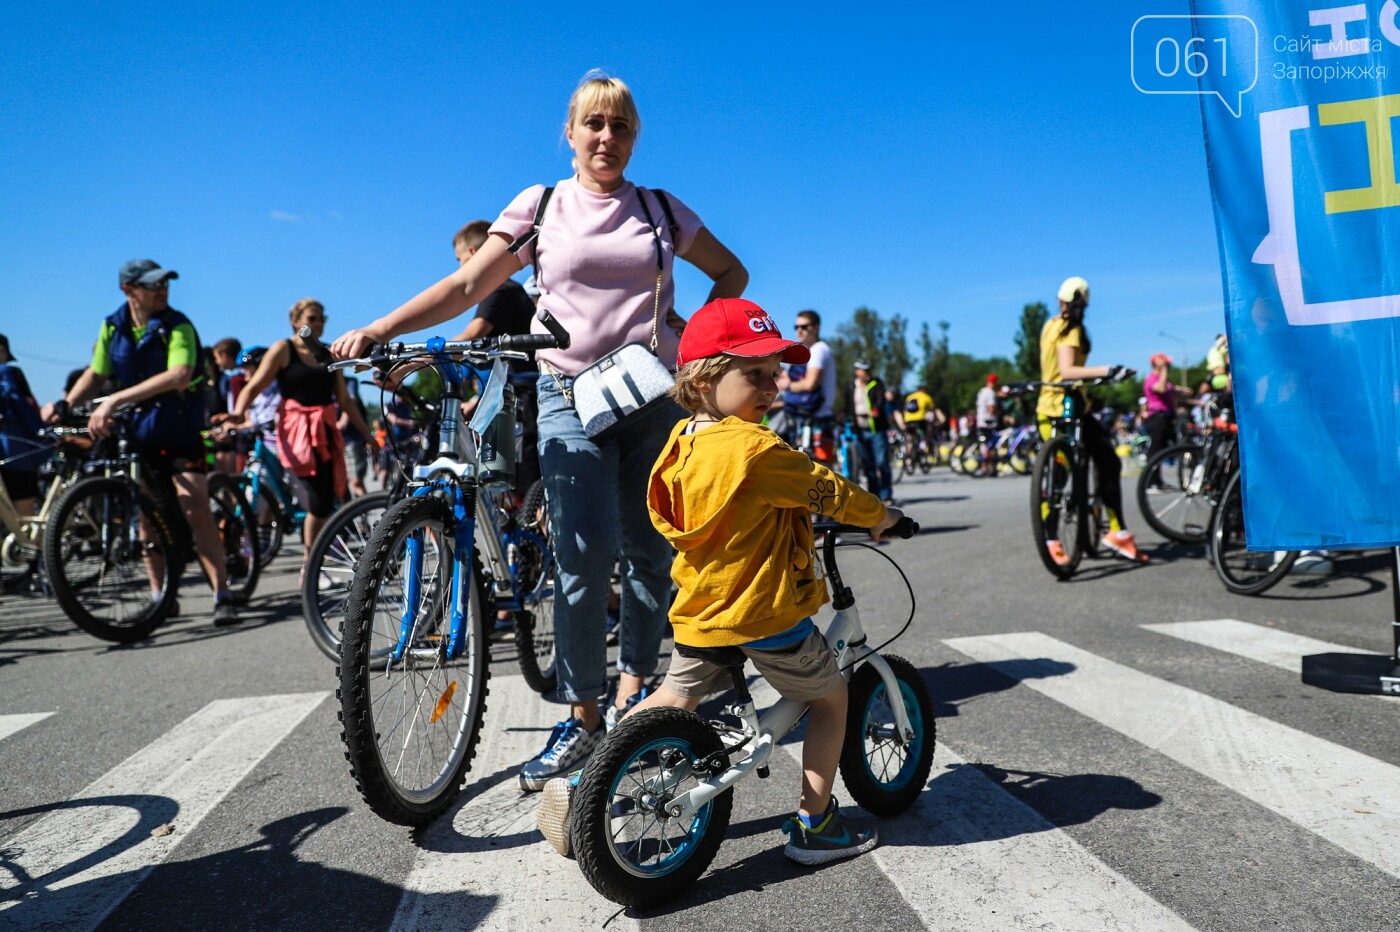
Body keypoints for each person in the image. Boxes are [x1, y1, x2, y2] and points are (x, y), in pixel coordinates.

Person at [329, 71, 748, 790]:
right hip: (566, 396)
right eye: (593, 124)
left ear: (633, 135)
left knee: (650, 558)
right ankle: (584, 716)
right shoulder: (541, 205)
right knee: (582, 564)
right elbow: (467, 287)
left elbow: (731, 273)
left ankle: (635, 698)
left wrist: (694, 340)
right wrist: (382, 327)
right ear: (570, 132)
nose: (606, 137)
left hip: (652, 397)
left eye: (619, 125)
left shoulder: (658, 209)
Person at [536, 297, 901, 863]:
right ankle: (817, 824)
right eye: (754, 374)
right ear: (705, 380)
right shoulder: (758, 450)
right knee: (831, 700)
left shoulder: (678, 445)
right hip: (766, 614)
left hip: (702, 612)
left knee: (673, 695)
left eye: (776, 374)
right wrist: (883, 517)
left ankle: (587, 786)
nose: (772, 387)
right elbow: (831, 491)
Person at [42, 259, 240, 624]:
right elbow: (97, 372)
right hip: (138, 433)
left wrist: (116, 399)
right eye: (152, 285)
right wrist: (67, 403)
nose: (162, 290)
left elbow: (179, 375)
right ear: (128, 290)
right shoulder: (112, 326)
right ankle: (160, 595)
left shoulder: (176, 325)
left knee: (194, 505)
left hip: (179, 431)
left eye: (165, 283)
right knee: (145, 517)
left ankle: (222, 593)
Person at [222, 299, 375, 578]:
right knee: (318, 500)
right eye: (312, 318)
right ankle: (311, 564)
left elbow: (345, 401)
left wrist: (368, 436)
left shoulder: (329, 353)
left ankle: (313, 562)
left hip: (325, 431)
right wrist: (237, 414)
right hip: (297, 432)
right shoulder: (284, 350)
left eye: (321, 319)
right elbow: (254, 386)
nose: (317, 323)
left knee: (328, 499)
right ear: (296, 321)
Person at [1036, 276, 1147, 564]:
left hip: (1046, 407)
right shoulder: (1072, 330)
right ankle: (1117, 531)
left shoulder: (1050, 325)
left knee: (1055, 476)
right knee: (1108, 461)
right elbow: (1068, 369)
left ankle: (1051, 538)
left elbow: (1054, 370)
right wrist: (1109, 370)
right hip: (1069, 406)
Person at [776, 310, 837, 460]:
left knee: (821, 470)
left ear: (816, 327)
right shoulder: (813, 351)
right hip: (809, 418)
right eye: (796, 327)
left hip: (818, 418)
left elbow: (810, 384)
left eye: (804, 326)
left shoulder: (818, 350)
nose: (799, 331)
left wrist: (788, 384)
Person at [0, 334, 47, 518]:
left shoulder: (8, 373)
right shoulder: (10, 373)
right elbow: (28, 407)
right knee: (24, 511)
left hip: (12, 448)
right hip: (16, 450)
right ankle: (26, 544)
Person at [846, 360, 895, 503]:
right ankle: (875, 496)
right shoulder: (851, 386)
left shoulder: (876, 383)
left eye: (865, 370)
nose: (862, 373)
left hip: (876, 429)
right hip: (860, 430)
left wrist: (876, 410)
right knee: (868, 465)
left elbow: (880, 401)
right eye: (860, 370)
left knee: (881, 462)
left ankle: (887, 495)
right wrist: (849, 419)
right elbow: (849, 405)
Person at [1142, 353, 1190, 459]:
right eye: (1166, 363)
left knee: (1169, 447)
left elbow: (1175, 391)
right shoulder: (1152, 378)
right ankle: (1152, 475)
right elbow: (1161, 389)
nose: (1169, 365)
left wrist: (1183, 391)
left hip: (1168, 417)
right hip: (1157, 417)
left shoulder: (1165, 380)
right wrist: (1163, 369)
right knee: (1156, 449)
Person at [975, 374, 1001, 476]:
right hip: (988, 422)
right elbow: (991, 408)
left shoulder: (982, 392)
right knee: (990, 446)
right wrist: (1000, 414)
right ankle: (990, 468)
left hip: (981, 421)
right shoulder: (990, 393)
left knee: (984, 446)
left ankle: (984, 468)